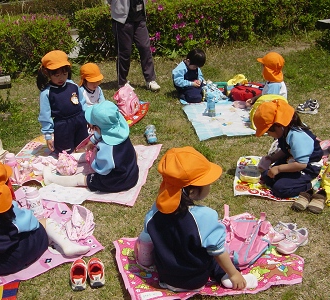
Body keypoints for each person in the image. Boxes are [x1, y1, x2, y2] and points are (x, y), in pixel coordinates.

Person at [136, 147, 258, 291]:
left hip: (166, 276)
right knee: (214, 256)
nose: (209, 187)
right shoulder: (205, 217)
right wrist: (234, 274)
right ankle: (224, 276)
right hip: (195, 280)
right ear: (192, 192)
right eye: (207, 184)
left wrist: (146, 262)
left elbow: (146, 239)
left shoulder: (153, 213)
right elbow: (218, 251)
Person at [0, 157, 90, 275]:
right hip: (20, 254)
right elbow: (32, 223)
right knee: (45, 222)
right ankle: (67, 245)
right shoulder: (7, 211)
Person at [43, 100, 139, 193]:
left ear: (96, 128)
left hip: (118, 181)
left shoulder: (108, 149)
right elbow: (101, 133)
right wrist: (92, 141)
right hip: (131, 171)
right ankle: (71, 157)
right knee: (93, 153)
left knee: (81, 179)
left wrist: (93, 159)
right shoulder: (118, 128)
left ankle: (51, 179)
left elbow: (102, 169)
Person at [253, 100, 323, 199]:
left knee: (280, 189)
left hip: (308, 167)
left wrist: (278, 168)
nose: (268, 134)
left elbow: (301, 164)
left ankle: (311, 184)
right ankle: (287, 178)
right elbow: (286, 150)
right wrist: (272, 158)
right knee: (267, 176)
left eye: (268, 131)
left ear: (278, 126)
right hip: (292, 159)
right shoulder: (285, 131)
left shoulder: (297, 137)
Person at [37, 50, 88, 154]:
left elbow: (82, 102)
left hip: (80, 121)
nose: (61, 78)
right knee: (65, 154)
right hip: (63, 126)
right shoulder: (47, 93)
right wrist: (48, 135)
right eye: (56, 75)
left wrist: (89, 118)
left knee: (83, 148)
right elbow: (45, 116)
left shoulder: (72, 85)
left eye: (64, 74)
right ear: (47, 73)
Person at [107, 0, 160, 91]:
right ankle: (122, 83)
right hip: (122, 19)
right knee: (125, 52)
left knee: (145, 48)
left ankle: (150, 80)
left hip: (139, 18)